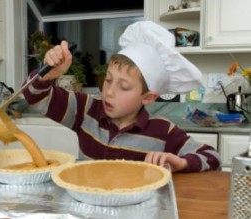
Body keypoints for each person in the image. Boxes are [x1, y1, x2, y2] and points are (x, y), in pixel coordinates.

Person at [22, 21, 221, 173]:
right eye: (108, 80)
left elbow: (212, 157)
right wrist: (47, 76)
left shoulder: (163, 131)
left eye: (123, 87)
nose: (108, 91)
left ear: (148, 97)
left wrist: (182, 162)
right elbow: (34, 97)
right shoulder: (86, 110)